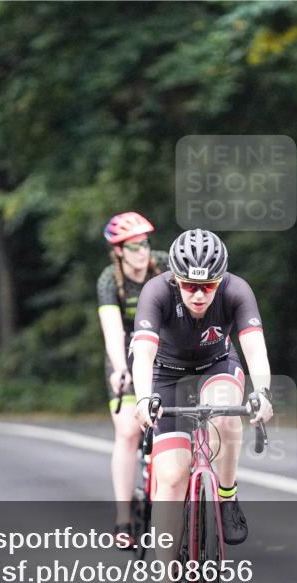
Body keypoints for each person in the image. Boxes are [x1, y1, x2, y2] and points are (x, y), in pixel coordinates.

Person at [130, 228, 274, 583]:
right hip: (165, 374)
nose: (198, 295)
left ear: (220, 280)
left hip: (217, 365)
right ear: (176, 279)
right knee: (171, 478)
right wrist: (143, 399)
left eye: (207, 286)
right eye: (190, 286)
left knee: (228, 414)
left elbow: (254, 348)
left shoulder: (237, 291)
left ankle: (226, 496)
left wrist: (261, 392)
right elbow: (142, 353)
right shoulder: (156, 293)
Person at [96, 212, 168, 549]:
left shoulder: (164, 264)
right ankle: (124, 519)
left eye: (145, 244)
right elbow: (112, 331)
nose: (142, 251)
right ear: (119, 251)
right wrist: (119, 367)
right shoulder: (109, 280)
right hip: (125, 356)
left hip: (164, 351)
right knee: (127, 432)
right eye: (134, 246)